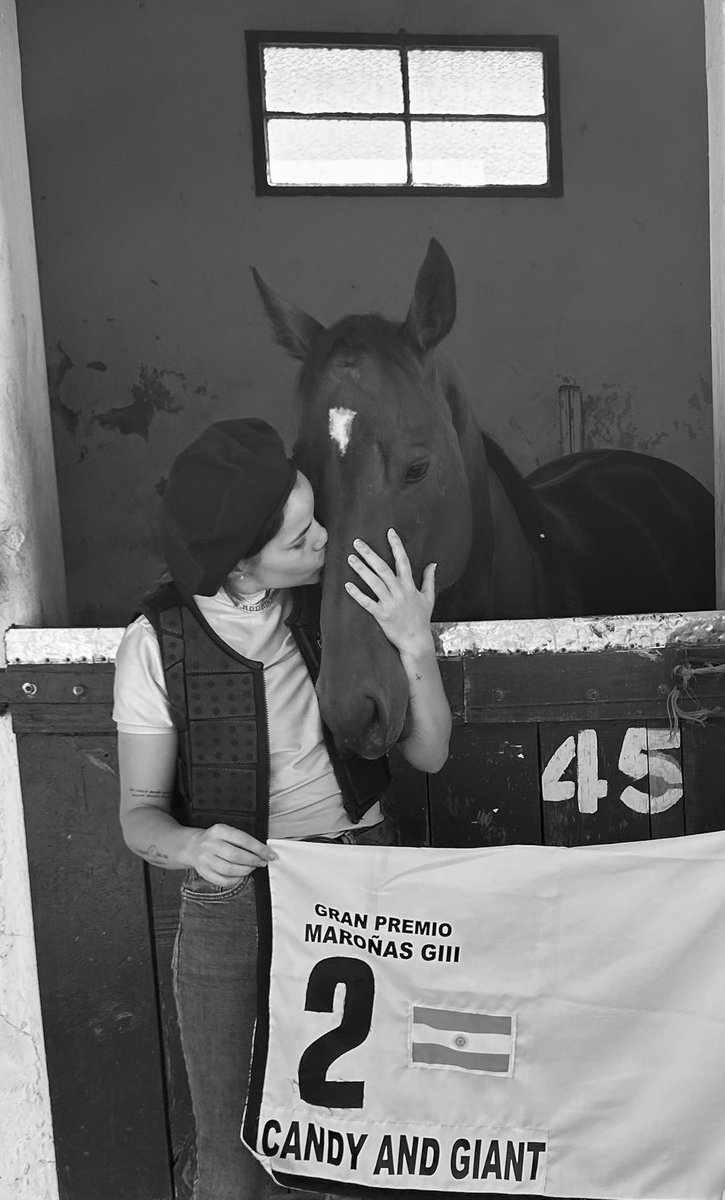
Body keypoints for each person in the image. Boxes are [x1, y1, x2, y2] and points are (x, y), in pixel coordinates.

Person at [113, 418, 451, 1200]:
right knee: (232, 1156)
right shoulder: (158, 642)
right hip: (237, 899)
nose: (326, 539)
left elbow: (428, 755)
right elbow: (140, 817)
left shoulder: (335, 605)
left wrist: (415, 643)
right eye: (301, 536)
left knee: (384, 1145)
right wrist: (193, 848)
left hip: (362, 879)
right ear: (238, 563)